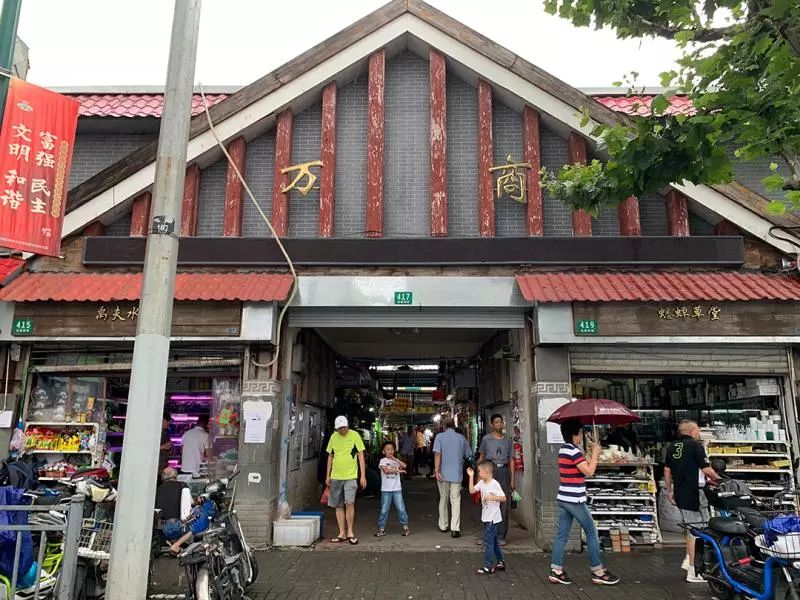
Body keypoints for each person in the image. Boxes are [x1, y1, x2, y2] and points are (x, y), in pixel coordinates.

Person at [549, 418, 620, 586]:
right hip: (575, 499)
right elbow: (589, 471)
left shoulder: (564, 449)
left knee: (561, 535)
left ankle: (556, 570)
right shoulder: (574, 451)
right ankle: (598, 571)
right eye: (580, 432)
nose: (582, 435)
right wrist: (595, 454)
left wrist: (589, 453)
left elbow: (580, 467)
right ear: (575, 434)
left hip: (564, 498)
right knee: (591, 532)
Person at [664, 419, 720, 583]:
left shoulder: (673, 446)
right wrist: (721, 480)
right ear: (692, 431)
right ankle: (694, 571)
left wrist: (669, 491)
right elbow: (706, 468)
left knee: (693, 529)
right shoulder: (696, 446)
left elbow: (667, 470)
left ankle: (690, 561)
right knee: (696, 532)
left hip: (681, 492)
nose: (699, 432)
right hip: (694, 493)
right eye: (697, 430)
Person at [325, 415, 367, 545]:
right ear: (336, 428)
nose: (342, 430)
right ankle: (341, 533)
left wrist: (363, 475)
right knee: (338, 505)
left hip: (350, 476)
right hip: (336, 476)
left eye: (344, 427)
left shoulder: (354, 435)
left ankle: (350, 532)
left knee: (349, 503)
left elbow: (361, 455)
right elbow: (330, 456)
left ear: (347, 426)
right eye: (340, 428)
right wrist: (328, 475)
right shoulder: (333, 437)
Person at [155, 467, 214, 554]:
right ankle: (177, 544)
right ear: (176, 476)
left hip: (163, 529)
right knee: (202, 512)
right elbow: (191, 504)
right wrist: (198, 502)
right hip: (178, 528)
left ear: (162, 478)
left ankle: (171, 543)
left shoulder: (158, 489)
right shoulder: (182, 486)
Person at [478, 414, 515, 546]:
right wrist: (479, 475)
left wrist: (512, 480)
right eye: (496, 422)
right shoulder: (486, 439)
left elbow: (511, 460)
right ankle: (487, 534)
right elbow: (481, 456)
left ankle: (500, 535)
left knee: (503, 505)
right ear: (492, 424)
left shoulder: (508, 440)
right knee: (488, 503)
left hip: (504, 471)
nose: (499, 424)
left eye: (501, 422)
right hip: (490, 471)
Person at [433, 417, 472, 538]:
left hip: (442, 473)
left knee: (443, 499)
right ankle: (455, 528)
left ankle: (443, 525)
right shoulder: (462, 438)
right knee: (455, 500)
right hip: (456, 473)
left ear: (444, 426)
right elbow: (468, 455)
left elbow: (437, 454)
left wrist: (436, 469)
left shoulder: (439, 437)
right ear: (454, 426)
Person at [467, 461, 506, 574]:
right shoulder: (481, 483)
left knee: (488, 542)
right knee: (493, 541)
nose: (479, 473)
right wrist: (471, 476)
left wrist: (492, 497)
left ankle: (488, 565)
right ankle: (500, 561)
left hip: (492, 518)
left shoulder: (494, 484)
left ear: (486, 471)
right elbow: (471, 490)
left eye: (479, 471)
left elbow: (503, 498)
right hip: (486, 516)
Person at [375, 441, 410, 537]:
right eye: (388, 449)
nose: (390, 451)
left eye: (392, 449)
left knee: (401, 508)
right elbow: (386, 471)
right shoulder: (382, 461)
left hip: (397, 488)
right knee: (384, 509)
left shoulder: (395, 460)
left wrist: (395, 458)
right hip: (386, 489)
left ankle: (405, 527)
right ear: (383, 451)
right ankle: (381, 529)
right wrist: (398, 470)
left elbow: (405, 466)